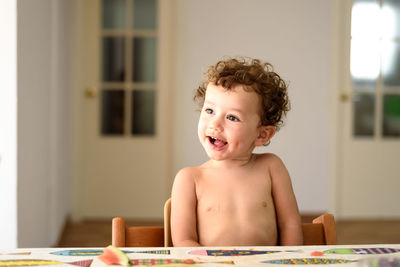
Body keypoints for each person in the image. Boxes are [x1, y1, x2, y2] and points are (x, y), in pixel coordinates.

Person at [171, 57, 303, 247]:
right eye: (209, 110)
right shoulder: (189, 179)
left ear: (262, 134)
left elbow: (290, 225)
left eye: (232, 117)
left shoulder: (271, 167)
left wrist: (288, 261)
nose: (215, 124)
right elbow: (183, 241)